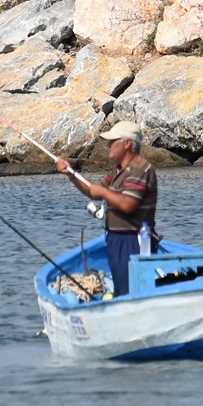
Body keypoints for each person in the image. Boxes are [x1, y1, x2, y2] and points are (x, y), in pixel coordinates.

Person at [55, 122, 156, 298]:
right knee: (121, 289)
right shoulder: (119, 171)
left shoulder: (140, 169)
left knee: (132, 292)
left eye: (113, 141)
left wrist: (102, 191)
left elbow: (128, 205)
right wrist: (70, 174)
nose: (109, 146)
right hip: (117, 238)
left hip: (134, 240)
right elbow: (93, 192)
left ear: (127, 144)